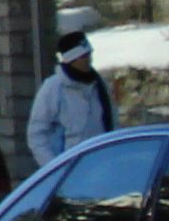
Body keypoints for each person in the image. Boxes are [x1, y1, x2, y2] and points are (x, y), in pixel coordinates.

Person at [26, 31, 116, 163]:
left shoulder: (100, 86)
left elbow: (114, 124)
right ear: (72, 60)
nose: (88, 60)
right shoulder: (53, 88)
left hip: (102, 164)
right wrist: (54, 167)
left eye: (89, 55)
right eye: (83, 56)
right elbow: (37, 134)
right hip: (70, 169)